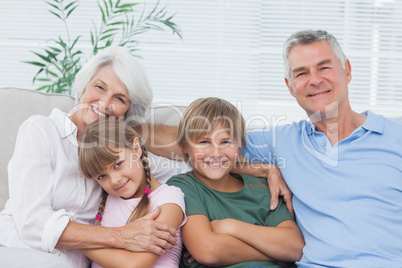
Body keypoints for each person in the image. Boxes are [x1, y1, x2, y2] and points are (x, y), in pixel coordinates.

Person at [0, 46, 188, 268]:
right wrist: (121, 235)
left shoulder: (123, 158)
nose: (105, 103)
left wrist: (194, 239)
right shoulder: (40, 130)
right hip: (18, 251)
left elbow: (193, 165)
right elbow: (33, 223)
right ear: (84, 86)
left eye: (119, 99)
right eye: (99, 87)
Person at [242, 29, 402, 267]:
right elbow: (199, 143)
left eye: (324, 67)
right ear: (290, 86)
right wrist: (263, 169)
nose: (314, 80)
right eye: (301, 73)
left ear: (347, 70)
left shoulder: (395, 135)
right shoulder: (281, 140)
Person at [166, 97, 305, 268]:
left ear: (240, 146)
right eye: (204, 142)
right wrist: (276, 255)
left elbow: (296, 248)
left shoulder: (261, 187)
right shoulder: (183, 187)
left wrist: (228, 226)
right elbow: (208, 250)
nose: (215, 153)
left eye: (225, 142)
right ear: (185, 146)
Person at [78, 117, 186, 268]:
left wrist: (77, 241)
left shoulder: (168, 198)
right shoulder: (107, 201)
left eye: (118, 164)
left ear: (136, 148)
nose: (114, 180)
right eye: (102, 176)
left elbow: (136, 264)